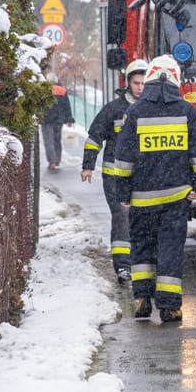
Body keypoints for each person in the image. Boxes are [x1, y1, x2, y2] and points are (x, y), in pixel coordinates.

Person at [113, 55, 196, 323]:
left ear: (149, 79)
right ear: (176, 79)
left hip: (141, 199)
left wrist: (122, 192)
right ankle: (169, 307)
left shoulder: (135, 112)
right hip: (175, 197)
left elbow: (123, 159)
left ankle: (142, 298)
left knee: (142, 247)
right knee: (170, 248)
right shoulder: (187, 111)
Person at [81, 59, 147, 285]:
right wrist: (88, 165)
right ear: (128, 83)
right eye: (137, 83)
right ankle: (123, 267)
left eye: (144, 83)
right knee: (122, 217)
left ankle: (144, 263)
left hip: (145, 177)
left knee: (144, 218)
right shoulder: (113, 109)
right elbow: (94, 138)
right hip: (116, 178)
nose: (141, 87)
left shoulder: (152, 109)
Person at [41, 75, 74, 169]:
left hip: (47, 119)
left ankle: (52, 161)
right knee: (56, 140)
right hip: (59, 120)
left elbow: (40, 105)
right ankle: (57, 159)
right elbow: (67, 106)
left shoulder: (44, 90)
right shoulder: (62, 90)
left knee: (49, 141)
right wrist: (69, 119)